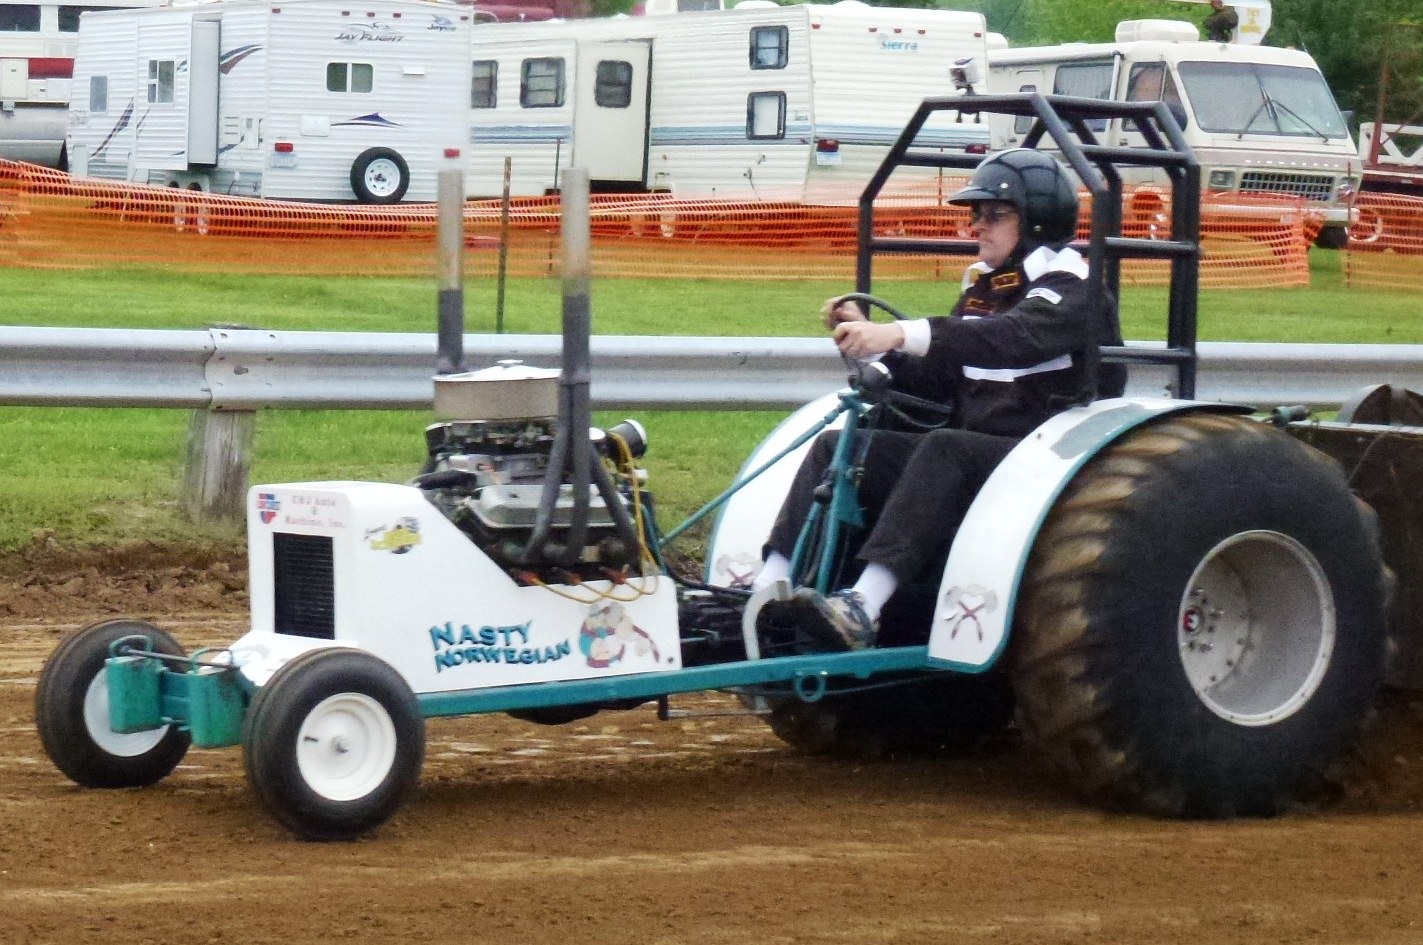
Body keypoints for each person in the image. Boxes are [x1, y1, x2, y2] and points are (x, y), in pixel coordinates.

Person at [753, 148, 1121, 651]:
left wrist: (898, 333)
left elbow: (1010, 338)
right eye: (976, 216)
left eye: (994, 215)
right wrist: (866, 345)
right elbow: (938, 373)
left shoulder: (1072, 285)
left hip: (1046, 456)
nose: (978, 227)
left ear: (1035, 222)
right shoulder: (988, 289)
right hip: (982, 449)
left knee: (945, 447)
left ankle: (863, 604)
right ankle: (763, 590)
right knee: (840, 444)